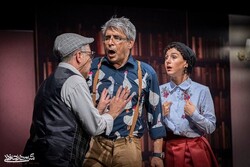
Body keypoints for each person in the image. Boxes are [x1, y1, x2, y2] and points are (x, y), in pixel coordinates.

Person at [22, 33, 133, 167]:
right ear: (79, 56)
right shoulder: (74, 80)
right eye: (89, 55)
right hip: (59, 160)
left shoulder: (48, 81)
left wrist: (97, 111)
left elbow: (63, 119)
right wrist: (113, 112)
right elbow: (95, 128)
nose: (91, 61)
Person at [83, 16, 166, 167]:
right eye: (107, 37)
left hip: (128, 145)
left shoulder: (146, 72)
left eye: (117, 38)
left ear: (130, 43)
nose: (110, 42)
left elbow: (155, 115)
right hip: (95, 144)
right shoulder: (91, 68)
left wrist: (157, 154)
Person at [159, 42, 219, 167]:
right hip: (169, 149)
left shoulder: (202, 90)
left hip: (196, 149)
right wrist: (160, 116)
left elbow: (211, 127)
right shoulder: (159, 91)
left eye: (173, 57)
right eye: (166, 58)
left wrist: (194, 114)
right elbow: (151, 126)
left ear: (186, 63)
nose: (167, 61)